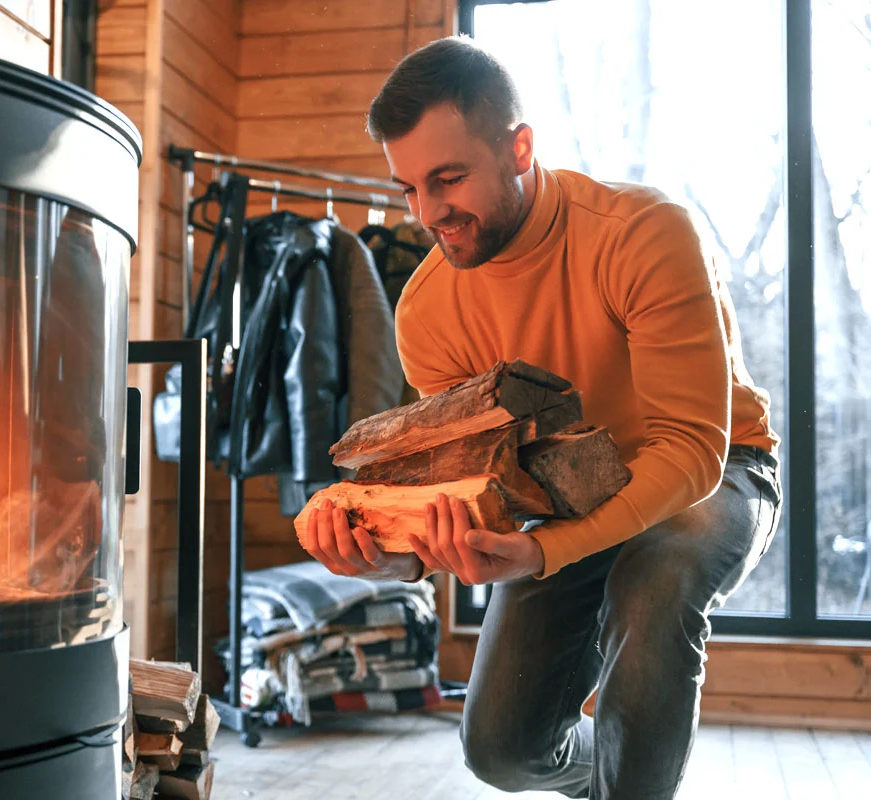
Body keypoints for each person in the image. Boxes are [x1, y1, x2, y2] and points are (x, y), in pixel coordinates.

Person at [297, 35, 782, 799]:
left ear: (519, 147)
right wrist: (385, 559)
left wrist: (542, 555)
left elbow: (690, 448)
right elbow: (470, 492)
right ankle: (619, 770)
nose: (428, 213)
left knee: (657, 572)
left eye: (448, 178)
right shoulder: (427, 311)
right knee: (501, 749)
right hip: (557, 499)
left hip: (718, 472)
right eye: (407, 189)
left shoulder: (642, 234)